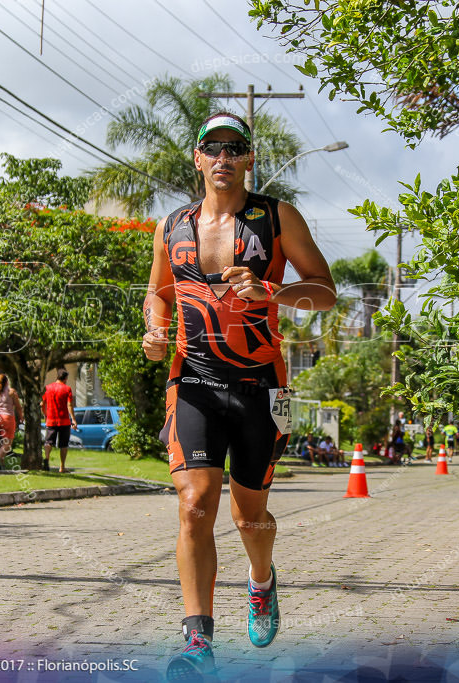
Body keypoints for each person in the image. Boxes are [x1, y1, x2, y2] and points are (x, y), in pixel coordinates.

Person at [142, 111, 336, 678]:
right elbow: (158, 295)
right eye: (212, 148)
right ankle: (198, 640)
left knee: (250, 516)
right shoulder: (171, 226)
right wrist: (155, 334)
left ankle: (261, 581)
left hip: (259, 384)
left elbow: (323, 292)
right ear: (198, 159)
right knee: (195, 503)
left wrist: (272, 290)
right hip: (194, 380)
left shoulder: (278, 218)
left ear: (250, 159)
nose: (223, 157)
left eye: (235, 148)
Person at [40, 368, 77, 473]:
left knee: (48, 442)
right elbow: (69, 404)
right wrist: (73, 419)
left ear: (57, 376)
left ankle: (46, 458)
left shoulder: (48, 388)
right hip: (64, 420)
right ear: (65, 378)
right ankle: (62, 467)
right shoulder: (67, 389)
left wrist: (45, 415)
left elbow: (42, 404)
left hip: (51, 420)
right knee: (64, 444)